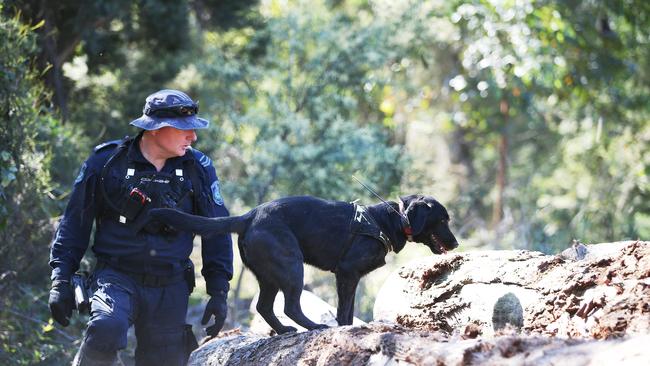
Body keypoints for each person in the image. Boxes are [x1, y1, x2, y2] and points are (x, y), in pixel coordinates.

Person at [48, 89, 233, 365]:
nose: (192, 136)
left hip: (170, 284)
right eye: (184, 129)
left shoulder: (198, 168)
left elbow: (215, 228)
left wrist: (219, 290)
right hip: (116, 276)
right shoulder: (107, 162)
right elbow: (75, 222)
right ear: (156, 129)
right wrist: (61, 278)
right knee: (105, 329)